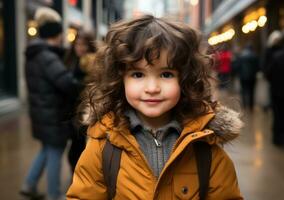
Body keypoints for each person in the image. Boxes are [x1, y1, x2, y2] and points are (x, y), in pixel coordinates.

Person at [66, 15, 244, 199]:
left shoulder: (205, 145)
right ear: (120, 79)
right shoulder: (103, 145)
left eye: (166, 74)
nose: (152, 88)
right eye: (137, 74)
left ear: (185, 79)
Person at [20, 7, 79, 200]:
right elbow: (66, 83)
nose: (63, 36)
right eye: (61, 33)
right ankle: (54, 194)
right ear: (55, 35)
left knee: (47, 150)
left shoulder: (35, 54)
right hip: (52, 114)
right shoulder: (48, 57)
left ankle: (29, 184)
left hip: (42, 112)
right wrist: (80, 83)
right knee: (55, 152)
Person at [64, 29, 96, 173]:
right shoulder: (70, 59)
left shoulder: (93, 62)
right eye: (77, 44)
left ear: (89, 46)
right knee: (74, 148)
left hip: (84, 110)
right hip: (70, 110)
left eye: (83, 45)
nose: (79, 48)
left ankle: (79, 178)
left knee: (80, 148)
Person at [236, 44, 259, 111]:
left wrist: (239, 73)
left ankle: (244, 105)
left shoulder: (241, 56)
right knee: (252, 91)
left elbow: (238, 66)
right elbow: (257, 67)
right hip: (252, 77)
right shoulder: (254, 56)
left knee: (243, 91)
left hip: (243, 77)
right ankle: (251, 106)